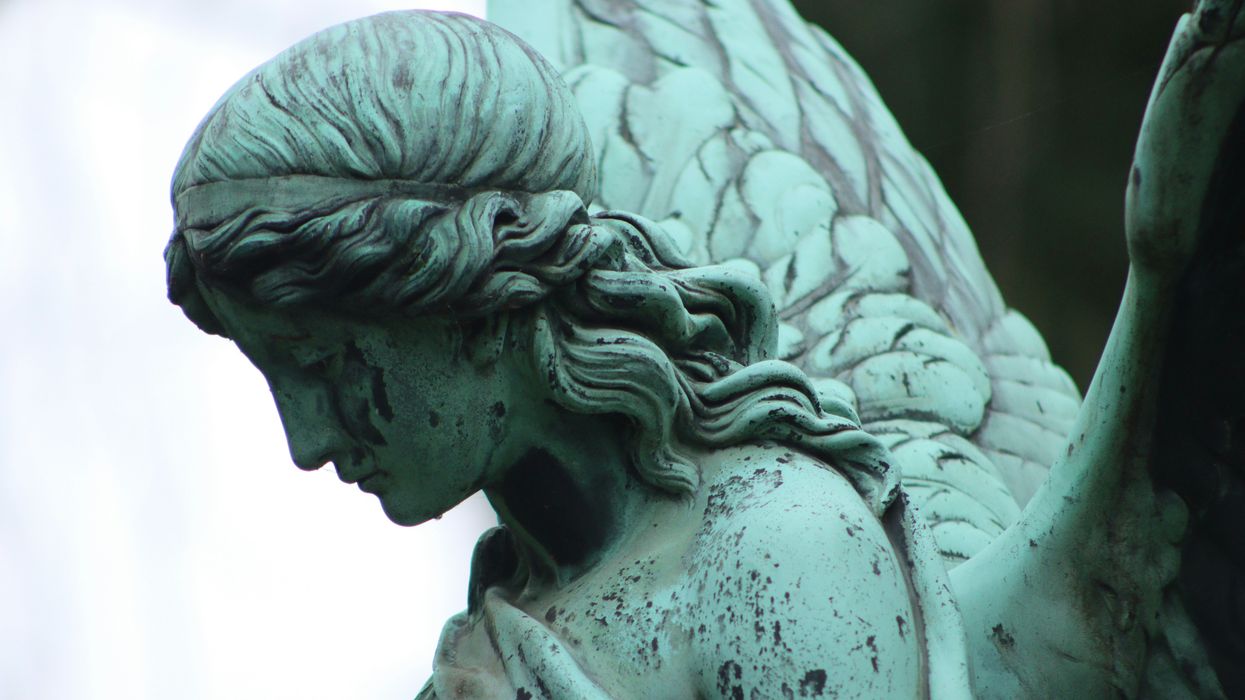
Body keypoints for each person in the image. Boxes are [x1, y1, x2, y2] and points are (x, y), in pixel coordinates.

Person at [165, 11, 970, 698]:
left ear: (479, 307)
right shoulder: (501, 624)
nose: (305, 443)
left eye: (322, 362)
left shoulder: (781, 555)